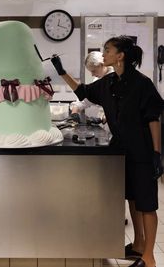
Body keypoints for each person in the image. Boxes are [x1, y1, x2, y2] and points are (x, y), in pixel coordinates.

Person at [51, 35, 163, 267]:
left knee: (147, 203)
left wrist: (156, 153)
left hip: (141, 151)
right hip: (120, 148)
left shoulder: (142, 83)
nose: (104, 54)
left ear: (120, 55)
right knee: (132, 197)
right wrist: (61, 72)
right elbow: (83, 91)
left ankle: (149, 257)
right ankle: (139, 244)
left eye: (108, 50)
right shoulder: (109, 81)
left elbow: (153, 119)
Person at [69, 51, 113, 125]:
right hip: (104, 124)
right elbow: (87, 99)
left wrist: (105, 117)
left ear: (102, 65)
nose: (92, 74)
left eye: (94, 71)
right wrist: (75, 110)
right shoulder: (98, 81)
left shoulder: (115, 79)